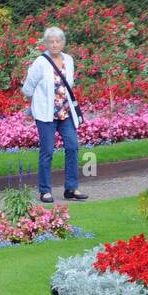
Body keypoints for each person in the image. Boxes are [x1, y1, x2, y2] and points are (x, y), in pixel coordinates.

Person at [21, 25, 87, 203]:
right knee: (47, 151)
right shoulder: (40, 62)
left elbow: (69, 84)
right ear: (46, 44)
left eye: (58, 41)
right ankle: (45, 190)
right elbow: (28, 88)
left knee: (72, 146)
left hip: (65, 113)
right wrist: (36, 102)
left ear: (63, 43)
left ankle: (71, 188)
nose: (55, 44)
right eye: (51, 41)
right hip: (46, 115)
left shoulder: (69, 60)